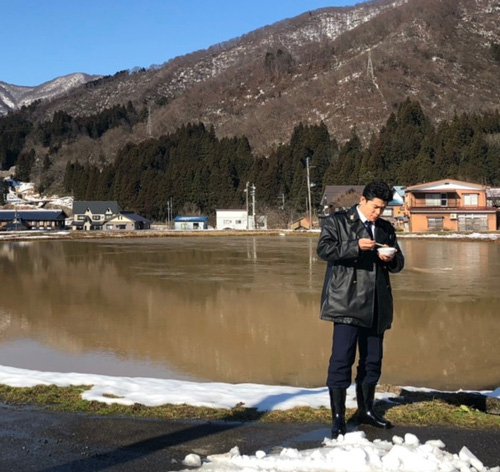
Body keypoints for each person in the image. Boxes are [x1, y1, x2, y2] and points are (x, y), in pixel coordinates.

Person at [317, 181, 404, 438]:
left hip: (377, 303)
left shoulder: (386, 228)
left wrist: (391, 258)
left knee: (372, 361)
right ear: (364, 200)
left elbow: (399, 264)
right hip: (346, 301)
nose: (379, 212)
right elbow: (324, 250)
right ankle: (338, 418)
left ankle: (366, 410)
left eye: (383, 208)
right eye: (376, 207)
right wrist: (355, 246)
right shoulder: (338, 220)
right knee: (341, 360)